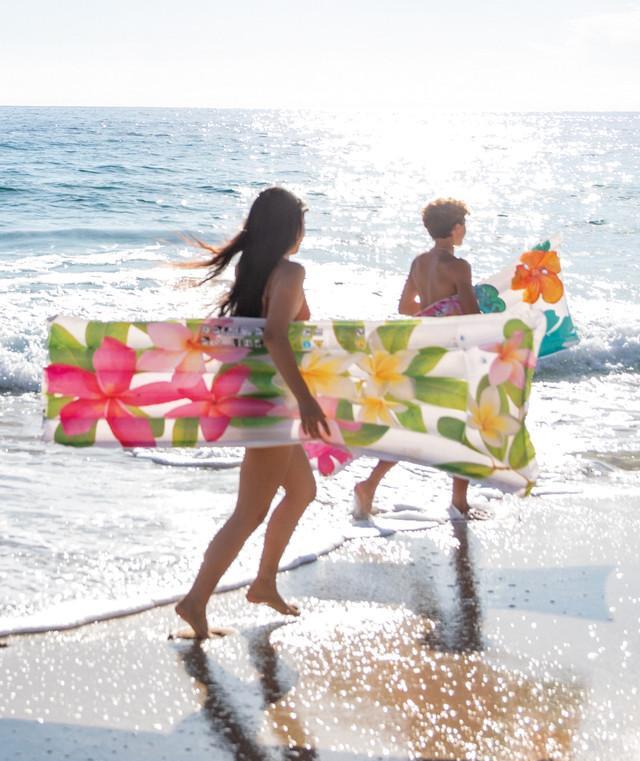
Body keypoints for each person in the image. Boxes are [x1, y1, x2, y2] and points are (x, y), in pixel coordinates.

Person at [176, 187, 329, 639]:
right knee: (249, 512)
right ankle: (195, 600)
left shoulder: (253, 268)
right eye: (301, 223)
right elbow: (276, 336)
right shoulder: (291, 272)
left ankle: (264, 583)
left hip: (257, 396)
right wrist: (305, 399)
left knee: (302, 490)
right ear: (291, 228)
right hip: (272, 405)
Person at [353, 198, 487, 521]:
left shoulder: (418, 263)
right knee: (465, 424)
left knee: (414, 425)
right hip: (452, 355)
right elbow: (472, 315)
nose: (465, 231)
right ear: (456, 228)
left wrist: (435, 311)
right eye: (464, 225)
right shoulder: (459, 267)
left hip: (425, 352)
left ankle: (369, 485)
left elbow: (405, 306)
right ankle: (459, 503)